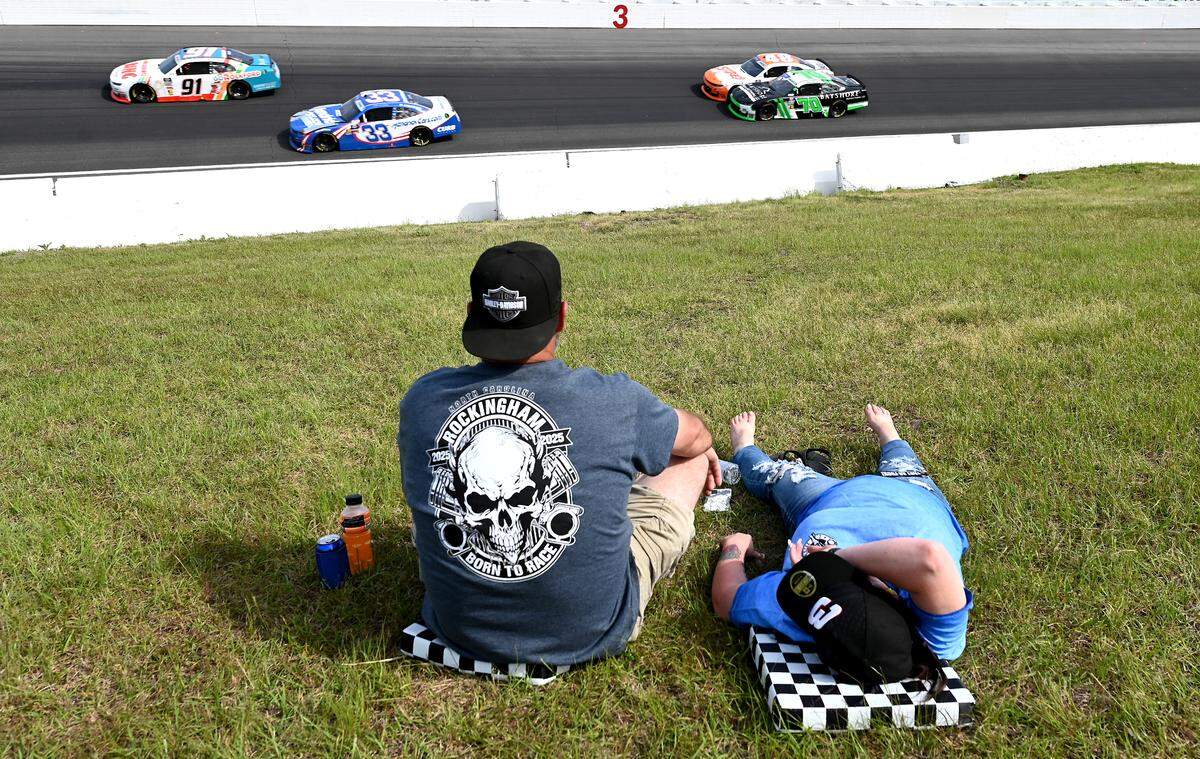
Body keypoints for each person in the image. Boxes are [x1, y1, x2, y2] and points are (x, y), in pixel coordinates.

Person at [398, 241, 720, 667]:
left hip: (459, 628)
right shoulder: (613, 401)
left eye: (519, 498)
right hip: (597, 628)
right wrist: (700, 447)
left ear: (471, 313)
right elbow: (696, 438)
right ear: (563, 316)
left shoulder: (422, 399)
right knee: (690, 458)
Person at [712, 405, 972, 687]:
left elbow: (726, 600)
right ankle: (888, 434)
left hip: (828, 499)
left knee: (772, 474)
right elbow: (930, 560)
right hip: (913, 494)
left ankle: (744, 447)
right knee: (904, 463)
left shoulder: (799, 601)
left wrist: (735, 546)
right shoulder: (936, 639)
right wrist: (836, 557)